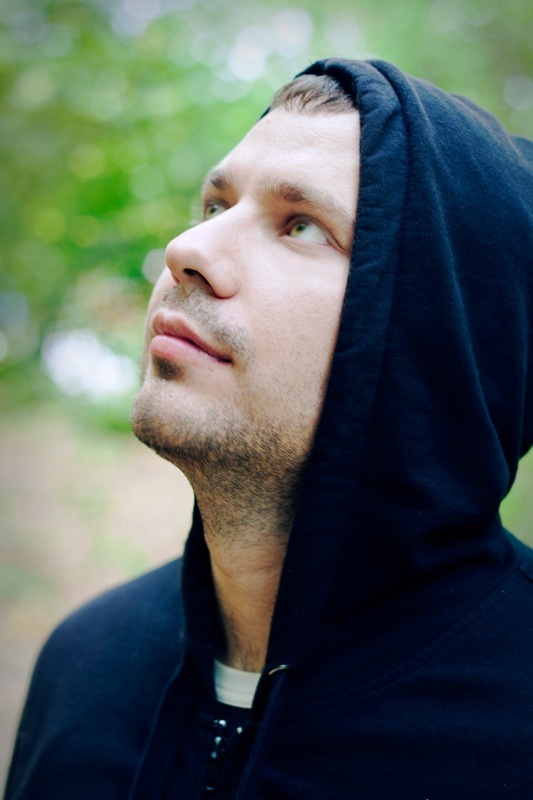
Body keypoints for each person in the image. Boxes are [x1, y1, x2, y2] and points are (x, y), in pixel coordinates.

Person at [5, 58, 533, 799]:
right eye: (215, 206)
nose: (187, 250)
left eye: (302, 226)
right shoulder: (86, 664)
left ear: (439, 338)